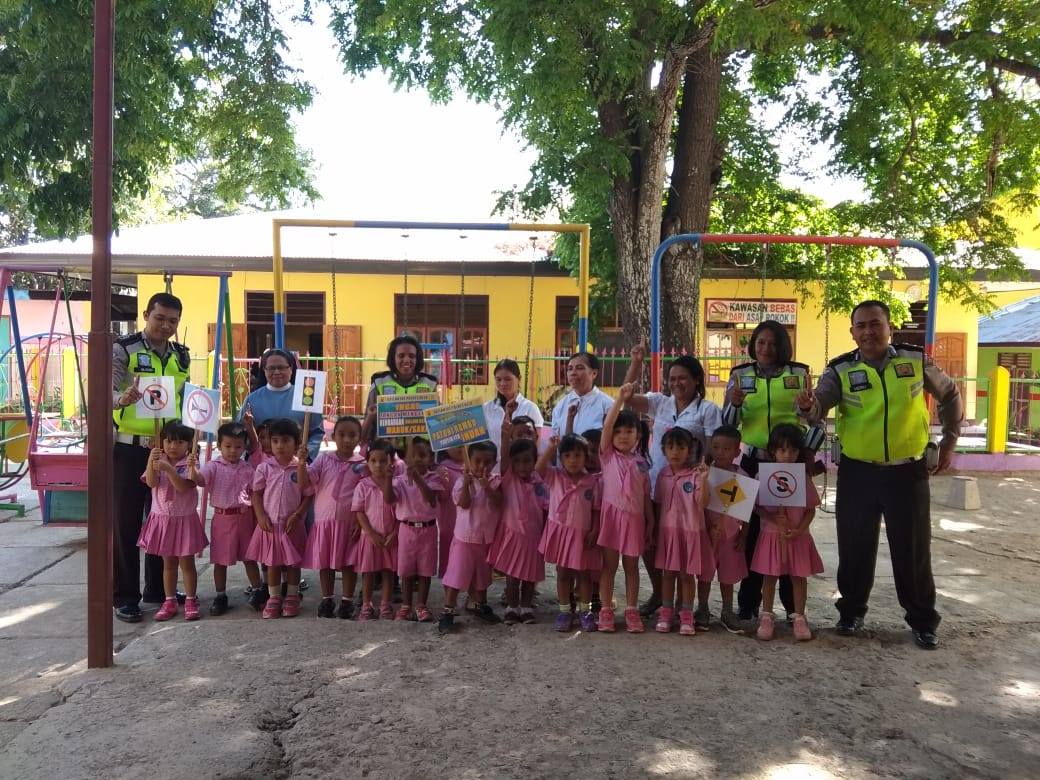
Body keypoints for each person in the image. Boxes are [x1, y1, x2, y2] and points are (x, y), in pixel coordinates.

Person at [798, 300, 962, 650]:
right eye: (861, 326)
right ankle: (851, 612)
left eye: (875, 324)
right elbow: (819, 407)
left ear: (890, 327)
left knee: (913, 549)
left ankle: (922, 621)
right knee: (855, 547)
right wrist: (808, 407)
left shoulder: (914, 361)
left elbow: (950, 394)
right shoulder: (839, 370)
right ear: (852, 332)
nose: (868, 331)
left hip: (908, 471)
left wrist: (949, 440)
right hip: (858, 473)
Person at [721, 319, 823, 623]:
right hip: (751, 463)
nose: (766, 349)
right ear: (753, 344)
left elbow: (812, 418)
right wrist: (735, 403)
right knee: (751, 532)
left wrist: (806, 409)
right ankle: (750, 604)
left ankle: (793, 608)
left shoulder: (798, 373)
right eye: (760, 342)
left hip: (787, 463)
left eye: (773, 343)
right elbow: (728, 422)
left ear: (783, 346)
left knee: (788, 531)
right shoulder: (739, 375)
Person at [623, 346, 721, 618]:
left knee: (688, 543)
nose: (677, 383)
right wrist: (636, 362)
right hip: (658, 484)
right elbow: (627, 396)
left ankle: (690, 604)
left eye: (683, 378)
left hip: (690, 492)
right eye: (672, 378)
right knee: (652, 543)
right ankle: (660, 594)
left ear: (697, 380)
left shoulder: (708, 410)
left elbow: (712, 449)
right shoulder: (660, 402)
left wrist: (702, 470)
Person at [111, 291, 191, 623]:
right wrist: (122, 398)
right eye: (159, 318)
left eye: (172, 321)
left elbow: (187, 399)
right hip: (131, 449)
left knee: (164, 520)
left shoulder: (181, 356)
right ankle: (124, 596)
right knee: (126, 524)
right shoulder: (124, 349)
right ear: (146, 314)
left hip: (168, 449)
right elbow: (105, 390)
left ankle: (159, 590)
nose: (166, 326)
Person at [751, 423, 824, 642]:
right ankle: (767, 615)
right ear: (773, 451)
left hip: (797, 537)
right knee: (769, 576)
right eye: (782, 450)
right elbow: (756, 506)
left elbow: (810, 509)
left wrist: (799, 530)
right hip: (771, 535)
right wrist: (773, 518)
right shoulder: (762, 476)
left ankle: (799, 616)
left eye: (793, 450)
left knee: (798, 577)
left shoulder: (802, 477)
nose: (787, 455)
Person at [597, 383, 654, 634]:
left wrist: (650, 521)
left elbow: (645, 497)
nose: (622, 435)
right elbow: (608, 425)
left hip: (635, 520)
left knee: (632, 566)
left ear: (638, 435)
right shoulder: (606, 455)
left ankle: (632, 610)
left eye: (628, 431)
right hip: (611, 517)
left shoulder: (643, 463)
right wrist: (619, 400)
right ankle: (606, 610)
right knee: (608, 566)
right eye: (617, 431)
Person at [189, 422, 263, 615]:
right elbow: (200, 480)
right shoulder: (213, 466)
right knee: (220, 560)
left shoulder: (248, 469)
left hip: (245, 518)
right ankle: (220, 595)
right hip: (222, 519)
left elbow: (257, 491)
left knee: (249, 557)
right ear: (218, 446)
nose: (232, 451)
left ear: (244, 447)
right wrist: (193, 468)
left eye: (238, 447)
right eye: (228, 446)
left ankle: (258, 590)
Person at [138, 421, 207, 622]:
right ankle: (169, 600)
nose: (172, 446)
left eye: (178, 442)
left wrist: (169, 469)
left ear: (189, 444)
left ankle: (191, 599)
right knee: (168, 563)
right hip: (162, 519)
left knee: (187, 562)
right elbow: (151, 483)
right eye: (168, 441)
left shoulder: (191, 462)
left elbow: (183, 487)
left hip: (184, 519)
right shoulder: (159, 458)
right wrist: (151, 462)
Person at [299, 416, 367, 619]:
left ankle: (347, 600)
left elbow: (366, 497)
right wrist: (301, 462)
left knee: (348, 564)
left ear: (359, 438)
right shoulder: (323, 459)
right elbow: (304, 484)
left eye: (352, 435)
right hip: (324, 523)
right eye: (342, 435)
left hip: (350, 523)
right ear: (333, 436)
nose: (347, 440)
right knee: (325, 563)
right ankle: (327, 598)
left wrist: (360, 522)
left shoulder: (362, 464)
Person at [246, 418, 313, 620]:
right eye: (275, 441)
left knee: (293, 564)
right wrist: (260, 515)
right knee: (272, 563)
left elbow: (308, 493)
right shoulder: (265, 468)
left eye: (285, 441)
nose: (279, 446)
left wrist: (299, 514)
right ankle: (274, 597)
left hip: (293, 524)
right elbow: (256, 494)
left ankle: (292, 596)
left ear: (297, 442)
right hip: (270, 525)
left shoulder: (301, 468)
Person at [535, 435, 601, 632]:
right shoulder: (555, 476)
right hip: (561, 533)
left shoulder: (593, 482)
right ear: (561, 458)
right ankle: (565, 610)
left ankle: (585, 611)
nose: (573, 460)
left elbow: (596, 509)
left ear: (586, 457)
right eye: (568, 455)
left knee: (584, 575)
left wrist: (595, 529)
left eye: (578, 455)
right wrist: (550, 449)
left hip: (583, 535)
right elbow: (538, 469)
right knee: (563, 573)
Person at [488, 415, 548, 624]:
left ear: (535, 461)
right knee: (512, 576)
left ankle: (526, 607)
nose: (523, 466)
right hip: (512, 536)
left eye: (528, 461)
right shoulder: (509, 478)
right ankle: (512, 608)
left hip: (533, 537)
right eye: (518, 462)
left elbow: (546, 510)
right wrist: (505, 430)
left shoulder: (540, 483)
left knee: (530, 576)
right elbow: (504, 456)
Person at [438, 441, 503, 633]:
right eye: (477, 461)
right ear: (470, 461)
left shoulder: (496, 481)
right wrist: (467, 484)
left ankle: (479, 604)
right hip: (464, 539)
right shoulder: (460, 481)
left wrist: (487, 487)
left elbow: (499, 502)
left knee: (482, 576)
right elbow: (464, 504)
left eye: (487, 462)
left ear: (494, 463)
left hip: (485, 539)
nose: (482, 466)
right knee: (457, 575)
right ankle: (448, 610)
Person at [653, 428, 708, 636]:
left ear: (690, 450)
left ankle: (686, 615)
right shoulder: (662, 475)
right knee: (668, 575)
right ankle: (666, 613)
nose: (675, 452)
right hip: (667, 534)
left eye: (681, 447)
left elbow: (703, 503)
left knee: (686, 576)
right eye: (671, 447)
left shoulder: (695, 476)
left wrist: (703, 479)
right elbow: (658, 505)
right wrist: (655, 531)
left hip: (689, 533)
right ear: (664, 450)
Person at [697, 425, 749, 631]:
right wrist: (708, 526)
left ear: (737, 451)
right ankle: (702, 609)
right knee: (704, 574)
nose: (720, 452)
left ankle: (727, 611)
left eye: (726, 449)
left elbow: (747, 512)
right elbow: (698, 505)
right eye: (716, 447)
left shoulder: (742, 476)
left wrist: (744, 536)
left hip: (730, 536)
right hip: (707, 535)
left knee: (727, 576)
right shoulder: (704, 474)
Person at [238, 349, 324, 461]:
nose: (277, 372)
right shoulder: (252, 399)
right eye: (271, 368)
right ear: (264, 370)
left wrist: (305, 454)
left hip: (296, 464)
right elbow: (240, 431)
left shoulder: (307, 395)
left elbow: (317, 432)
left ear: (291, 369)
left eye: (282, 367)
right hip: (261, 465)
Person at [391, 438, 443, 622]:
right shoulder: (399, 480)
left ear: (430, 459)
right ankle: (406, 605)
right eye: (414, 456)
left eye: (423, 455)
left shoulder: (434, 477)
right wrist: (386, 480)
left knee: (425, 570)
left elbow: (432, 499)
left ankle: (421, 605)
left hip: (428, 530)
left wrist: (419, 479)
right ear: (405, 459)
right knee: (406, 570)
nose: (418, 459)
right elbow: (390, 499)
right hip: (406, 529)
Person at [362, 335, 440, 449]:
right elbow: (369, 418)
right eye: (401, 356)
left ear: (417, 359)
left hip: (419, 453)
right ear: (393, 358)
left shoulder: (429, 383)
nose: (407, 360)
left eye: (412, 356)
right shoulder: (380, 381)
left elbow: (435, 421)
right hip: (386, 452)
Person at [351, 439, 399, 621]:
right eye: (373, 461)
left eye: (383, 461)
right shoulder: (363, 485)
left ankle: (386, 605)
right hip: (369, 538)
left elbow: (400, 512)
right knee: (368, 572)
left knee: (388, 572)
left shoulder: (396, 485)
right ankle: (366, 604)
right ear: (367, 462)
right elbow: (359, 512)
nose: (378, 465)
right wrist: (370, 533)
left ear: (391, 463)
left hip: (390, 538)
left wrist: (394, 533)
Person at [483, 359, 544, 455]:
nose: (502, 384)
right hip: (491, 466)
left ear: (519, 379)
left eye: (508, 379)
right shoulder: (486, 408)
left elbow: (535, 445)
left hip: (519, 466)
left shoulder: (530, 408)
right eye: (498, 379)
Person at [549, 352, 615, 440]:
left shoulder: (608, 405)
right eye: (570, 368)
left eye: (579, 368)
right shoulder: (561, 405)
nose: (573, 373)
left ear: (594, 373)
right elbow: (556, 441)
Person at [435, 446, 467, 577]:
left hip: (468, 523)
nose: (460, 447)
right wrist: (443, 481)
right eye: (455, 443)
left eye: (463, 443)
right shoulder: (443, 469)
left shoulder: (474, 465)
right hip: (449, 523)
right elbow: (442, 498)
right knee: (449, 561)